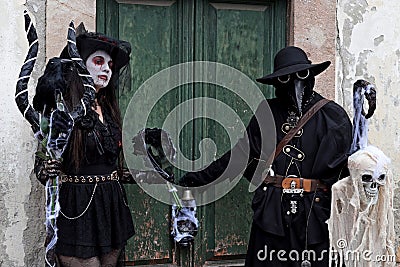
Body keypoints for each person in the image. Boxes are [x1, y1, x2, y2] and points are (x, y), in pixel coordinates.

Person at [179, 46, 353, 266]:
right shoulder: (267, 113)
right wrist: (195, 179)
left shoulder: (332, 115)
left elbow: (347, 167)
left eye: (301, 75)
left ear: (310, 76)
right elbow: (239, 157)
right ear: (278, 81)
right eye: (286, 78)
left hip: (315, 214)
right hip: (272, 213)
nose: (295, 84)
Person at [34, 28, 134, 267]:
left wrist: (121, 172)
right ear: (80, 66)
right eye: (98, 62)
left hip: (110, 203)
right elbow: (43, 158)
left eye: (110, 64)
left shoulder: (109, 107)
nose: (107, 69)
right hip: (77, 206)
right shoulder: (62, 108)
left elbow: (105, 154)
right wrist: (45, 168)